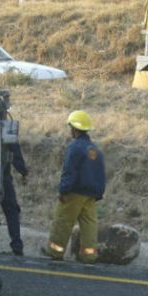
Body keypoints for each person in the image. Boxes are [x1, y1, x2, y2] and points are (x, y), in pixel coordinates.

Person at [41, 110, 106, 263]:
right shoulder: (95, 149)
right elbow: (100, 174)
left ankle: (55, 252)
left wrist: (63, 190)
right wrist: (98, 194)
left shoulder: (75, 147)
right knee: (89, 224)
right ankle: (89, 255)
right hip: (91, 194)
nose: (70, 130)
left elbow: (69, 171)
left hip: (74, 192)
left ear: (75, 129)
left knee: (63, 221)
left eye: (71, 127)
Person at [0, 129, 29, 256]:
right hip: (3, 177)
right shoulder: (6, 128)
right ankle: (17, 246)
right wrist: (23, 171)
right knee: (11, 210)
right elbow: (15, 151)